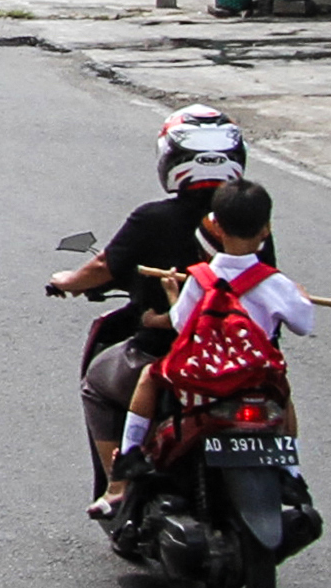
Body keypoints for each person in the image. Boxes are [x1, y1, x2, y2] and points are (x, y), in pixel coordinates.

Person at [45, 105, 250, 493]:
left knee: (97, 385)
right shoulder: (248, 225)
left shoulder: (152, 219)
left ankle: (117, 488)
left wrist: (68, 281)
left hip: (170, 357)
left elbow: (103, 266)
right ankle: (290, 476)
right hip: (243, 360)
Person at [89, 178, 313, 515]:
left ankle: (130, 456)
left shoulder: (200, 278)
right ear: (265, 229)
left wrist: (171, 297)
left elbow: (181, 322)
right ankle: (290, 471)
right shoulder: (276, 284)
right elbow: (302, 324)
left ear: (216, 227)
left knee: (150, 374)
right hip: (254, 378)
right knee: (282, 393)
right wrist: (300, 297)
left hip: (204, 376)